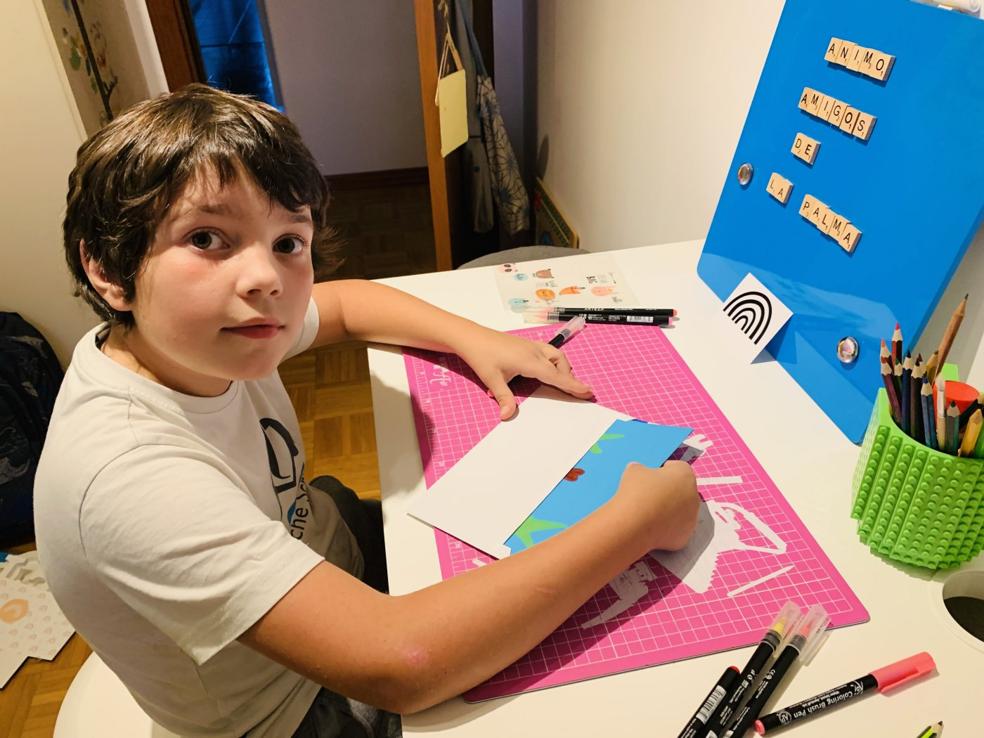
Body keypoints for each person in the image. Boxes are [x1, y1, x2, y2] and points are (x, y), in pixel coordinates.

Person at [33, 84, 698, 738]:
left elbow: (348, 305)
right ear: (109, 270)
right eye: (208, 238)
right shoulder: (127, 474)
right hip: (288, 707)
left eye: (288, 241)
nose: (266, 276)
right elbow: (402, 664)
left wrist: (479, 339)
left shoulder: (195, 338)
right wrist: (637, 522)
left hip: (312, 550)